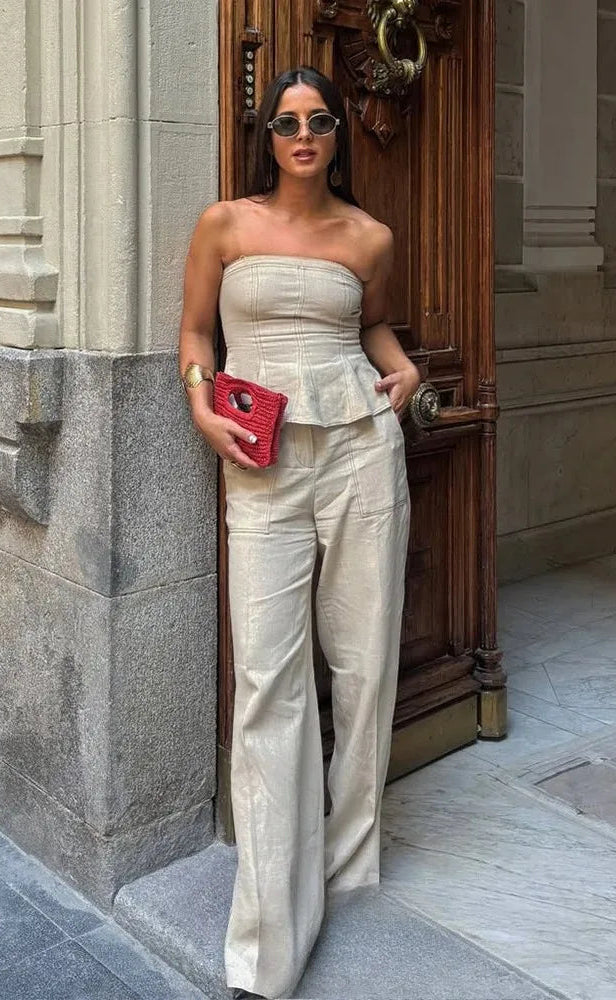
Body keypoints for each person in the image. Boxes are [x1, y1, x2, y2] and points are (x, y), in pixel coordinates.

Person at [178, 65, 421, 1000]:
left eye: (319, 120)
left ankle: (346, 860)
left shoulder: (369, 237)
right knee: (268, 682)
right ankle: (267, 945)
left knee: (363, 662)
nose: (304, 135)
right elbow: (196, 336)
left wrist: (404, 372)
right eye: (287, 123)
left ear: (338, 133)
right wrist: (201, 407)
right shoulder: (225, 224)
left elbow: (376, 331)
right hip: (261, 460)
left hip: (360, 448)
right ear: (269, 136)